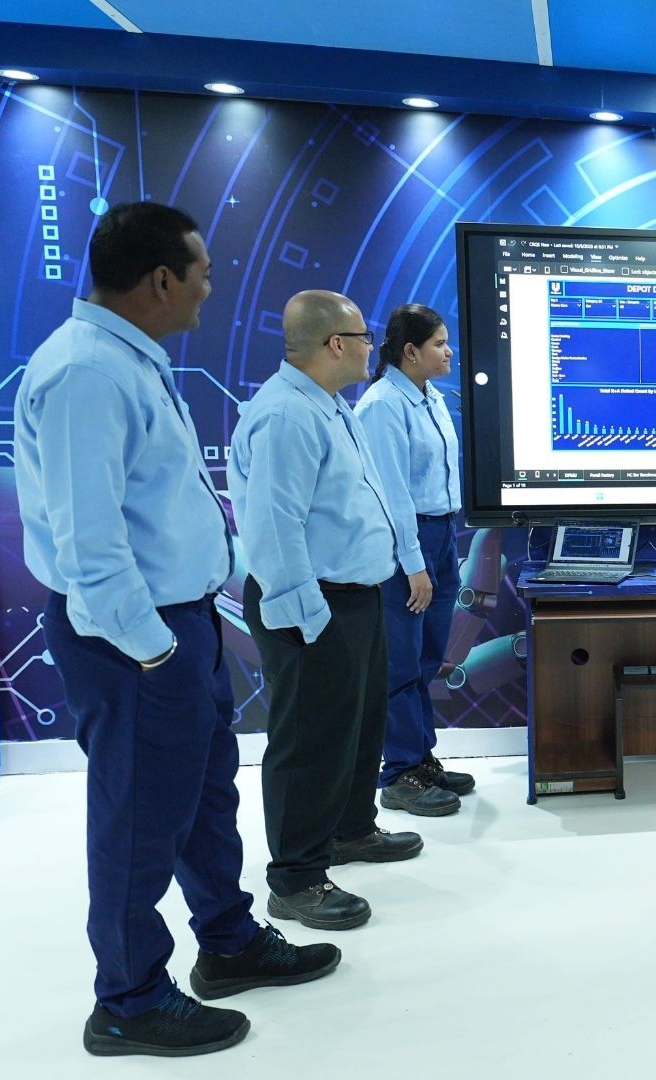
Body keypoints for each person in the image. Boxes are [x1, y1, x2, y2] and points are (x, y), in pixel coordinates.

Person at [15, 202, 338, 1058]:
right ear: (162, 279)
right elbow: (90, 543)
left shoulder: (128, 361)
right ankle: (127, 999)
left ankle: (227, 944)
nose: (209, 287)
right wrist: (152, 648)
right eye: (201, 272)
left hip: (176, 626)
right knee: (138, 818)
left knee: (202, 799)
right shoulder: (87, 372)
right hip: (133, 639)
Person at [230, 290, 424, 931]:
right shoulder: (286, 416)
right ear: (336, 344)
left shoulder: (330, 408)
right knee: (309, 740)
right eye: (365, 336)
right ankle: (295, 877)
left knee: (357, 726)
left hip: (355, 598)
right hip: (311, 603)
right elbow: (272, 531)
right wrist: (307, 618)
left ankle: (349, 830)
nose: (373, 346)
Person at [354, 303, 471, 816]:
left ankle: (420, 757)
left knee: (427, 658)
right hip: (409, 539)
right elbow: (392, 493)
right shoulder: (382, 405)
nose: (449, 352)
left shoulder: (432, 397)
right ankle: (399, 773)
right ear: (410, 351)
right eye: (440, 343)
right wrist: (413, 563)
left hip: (443, 531)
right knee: (400, 660)